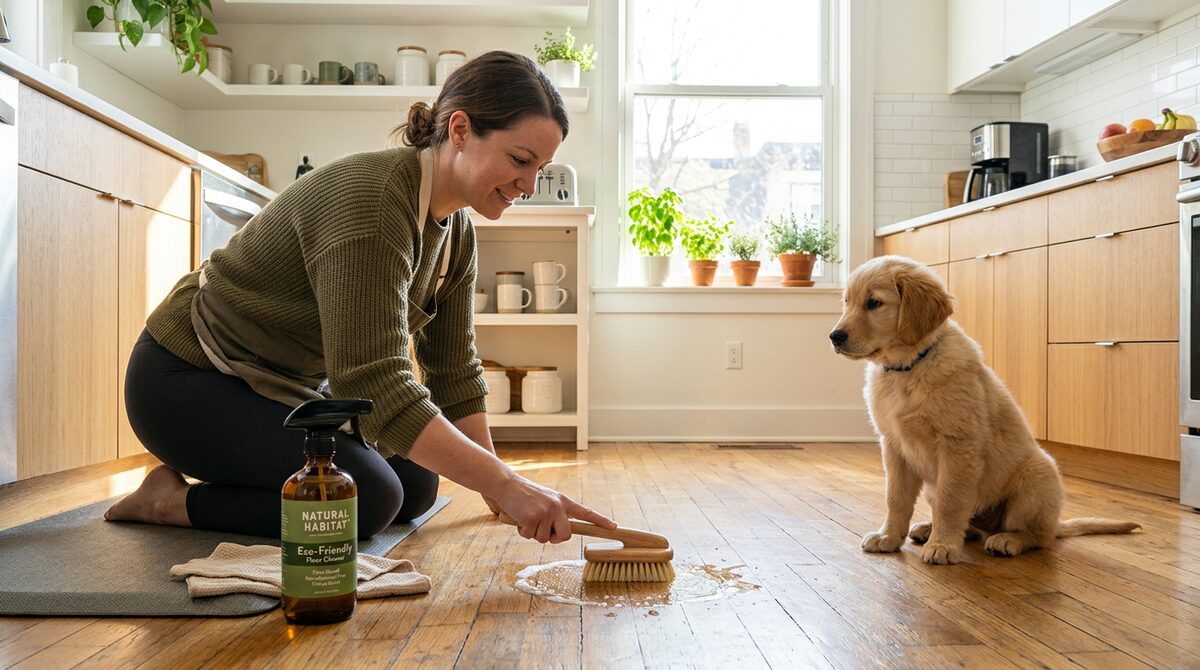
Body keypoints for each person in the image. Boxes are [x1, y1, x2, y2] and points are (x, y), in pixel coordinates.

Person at [105, 51, 614, 544]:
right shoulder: (373, 204)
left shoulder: (457, 232)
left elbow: (454, 372)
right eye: (520, 160)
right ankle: (170, 504)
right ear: (460, 130)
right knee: (368, 498)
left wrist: (499, 488)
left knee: (416, 486)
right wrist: (507, 483)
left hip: (277, 386)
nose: (528, 185)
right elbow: (374, 380)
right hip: (185, 382)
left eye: (539, 167)